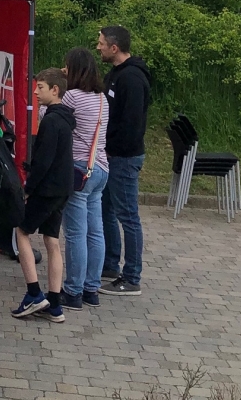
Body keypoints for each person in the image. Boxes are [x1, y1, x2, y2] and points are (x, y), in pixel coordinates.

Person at [11, 68, 74, 324]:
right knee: (51, 240)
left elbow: (44, 161)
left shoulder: (50, 121)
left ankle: (34, 293)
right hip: (63, 189)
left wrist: (28, 188)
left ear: (55, 90)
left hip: (47, 189)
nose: (35, 92)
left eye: (40, 88)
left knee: (21, 231)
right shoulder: (66, 119)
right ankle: (55, 304)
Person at [97, 26, 151, 297]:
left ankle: (132, 277)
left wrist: (112, 149)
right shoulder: (115, 74)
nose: (99, 47)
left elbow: (132, 124)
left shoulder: (132, 78)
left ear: (114, 48)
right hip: (111, 155)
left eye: (102, 44)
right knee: (106, 209)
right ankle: (109, 264)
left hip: (124, 158)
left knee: (128, 215)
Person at [60, 48, 109, 310]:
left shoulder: (72, 97)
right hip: (100, 168)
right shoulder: (102, 98)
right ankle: (92, 288)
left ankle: (74, 291)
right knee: (95, 231)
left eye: (66, 66)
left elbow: (51, 117)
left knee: (76, 233)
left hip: (78, 169)